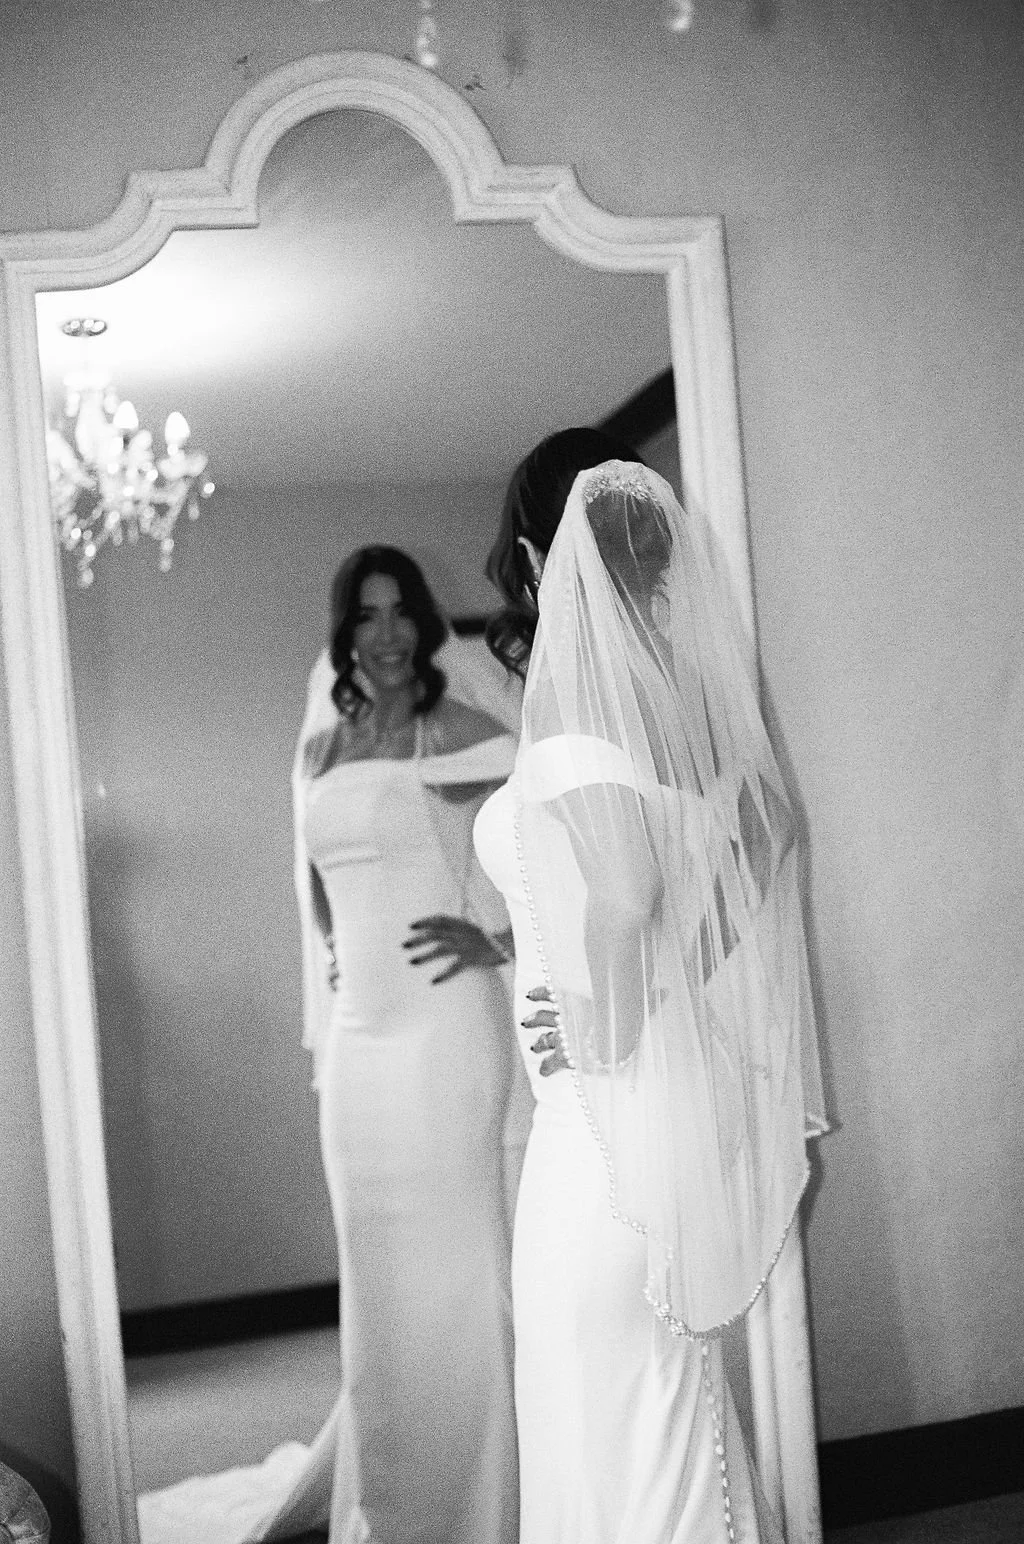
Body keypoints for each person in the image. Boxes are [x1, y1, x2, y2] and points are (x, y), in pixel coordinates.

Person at [471, 428, 828, 1543]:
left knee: (608, 1421)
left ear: (539, 562)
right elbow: (765, 833)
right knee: (666, 1415)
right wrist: (663, 998)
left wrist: (605, 1024)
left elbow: (624, 893)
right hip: (671, 1101)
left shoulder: (576, 720)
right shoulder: (677, 709)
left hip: (603, 1124)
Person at [268, 545, 527, 1544]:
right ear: (346, 632)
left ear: (423, 625)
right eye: (364, 614)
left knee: (456, 1273)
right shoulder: (322, 750)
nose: (384, 631)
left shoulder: (458, 730)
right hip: (360, 1046)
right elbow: (319, 877)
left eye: (399, 612)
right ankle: (397, 1507)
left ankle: (478, 1507)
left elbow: (555, 835)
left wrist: (500, 936)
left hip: (443, 1030)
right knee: (375, 1276)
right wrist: (339, 945)